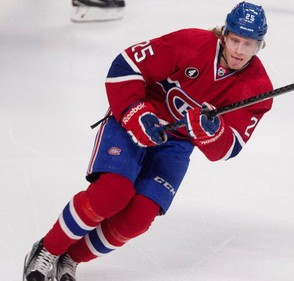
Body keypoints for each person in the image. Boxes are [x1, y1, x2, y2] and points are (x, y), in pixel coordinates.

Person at [23, 2, 273, 281]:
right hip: (136, 120)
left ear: (260, 45)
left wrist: (211, 131)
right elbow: (125, 65)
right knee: (112, 192)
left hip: (176, 143)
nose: (239, 50)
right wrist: (134, 113)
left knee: (139, 217)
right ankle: (48, 250)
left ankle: (70, 258)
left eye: (249, 43)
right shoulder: (190, 43)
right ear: (224, 34)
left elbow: (227, 148)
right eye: (235, 40)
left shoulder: (258, 88)